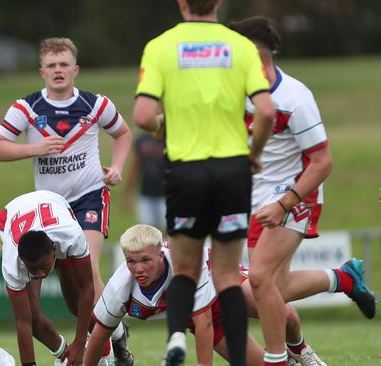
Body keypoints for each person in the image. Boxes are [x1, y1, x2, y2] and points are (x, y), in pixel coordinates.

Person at [132, 1, 276, 365]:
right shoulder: (241, 47)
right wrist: (254, 152)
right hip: (232, 172)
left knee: (184, 269)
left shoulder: (161, 45)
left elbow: (144, 115)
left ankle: (176, 336)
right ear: (219, 3)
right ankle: (240, 359)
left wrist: (168, 128)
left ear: (182, 3)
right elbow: (266, 111)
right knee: (227, 275)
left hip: (186, 173)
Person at [227, 16, 376, 366]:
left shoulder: (295, 98)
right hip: (255, 200)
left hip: (295, 195)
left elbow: (323, 163)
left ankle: (279, 358)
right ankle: (341, 279)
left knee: (260, 280)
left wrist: (285, 202)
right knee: (267, 291)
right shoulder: (233, 90)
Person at [0, 37, 134, 364]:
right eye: (51, 65)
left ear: (75, 69)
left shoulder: (95, 105)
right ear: (42, 71)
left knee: (91, 273)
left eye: (64, 64)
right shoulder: (26, 108)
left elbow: (123, 134)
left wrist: (118, 168)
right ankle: (117, 332)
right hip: (50, 210)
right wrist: (33, 149)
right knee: (73, 299)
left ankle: (107, 354)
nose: (58, 71)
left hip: (88, 199)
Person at [86, 224, 366, 366]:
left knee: (285, 314)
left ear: (161, 254)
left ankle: (302, 350)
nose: (137, 268)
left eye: (145, 260)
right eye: (131, 261)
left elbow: (203, 322)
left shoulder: (186, 267)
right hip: (209, 316)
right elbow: (100, 332)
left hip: (224, 280)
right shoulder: (120, 285)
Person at [0, 190, 114, 366]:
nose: (41, 274)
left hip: (55, 204)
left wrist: (80, 344)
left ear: (54, 250)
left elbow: (87, 288)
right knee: (32, 316)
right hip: (12, 214)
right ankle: (66, 356)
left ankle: (106, 352)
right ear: (22, 260)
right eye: (32, 269)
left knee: (75, 304)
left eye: (43, 266)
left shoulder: (71, 235)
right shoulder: (11, 263)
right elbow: (23, 322)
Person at [121, 132, 167, 231]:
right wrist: (127, 195)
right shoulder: (142, 139)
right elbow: (135, 168)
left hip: (167, 195)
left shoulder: (169, 136)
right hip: (145, 195)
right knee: (147, 232)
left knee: (170, 230)